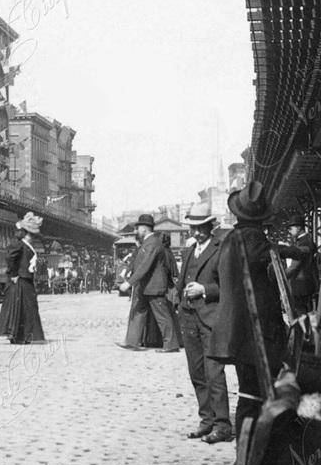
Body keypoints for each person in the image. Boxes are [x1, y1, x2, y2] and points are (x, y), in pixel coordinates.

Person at [207, 182, 286, 437]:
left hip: (239, 332)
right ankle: (252, 459)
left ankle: (246, 454)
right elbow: (270, 255)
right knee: (257, 397)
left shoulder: (229, 238)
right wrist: (302, 251)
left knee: (248, 394)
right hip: (258, 334)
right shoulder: (254, 239)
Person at [176, 203, 231, 443]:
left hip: (210, 319)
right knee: (196, 372)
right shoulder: (189, 251)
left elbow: (229, 286)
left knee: (214, 373)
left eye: (201, 227)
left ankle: (223, 426)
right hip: (188, 317)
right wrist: (179, 303)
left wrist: (204, 290)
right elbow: (180, 282)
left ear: (211, 226)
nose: (197, 232)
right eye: (193, 228)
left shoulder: (221, 250)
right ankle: (206, 421)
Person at [118, 214, 179, 352]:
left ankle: (171, 345)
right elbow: (137, 261)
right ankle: (132, 342)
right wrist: (128, 272)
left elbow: (145, 265)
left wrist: (129, 283)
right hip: (145, 286)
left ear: (144, 229)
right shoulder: (148, 243)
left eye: (138, 228)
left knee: (162, 315)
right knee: (137, 312)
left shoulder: (153, 243)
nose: (136, 231)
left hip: (154, 286)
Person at [0, 212, 46, 344]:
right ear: (26, 233)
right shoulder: (19, 244)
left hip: (25, 279)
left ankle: (21, 335)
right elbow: (10, 258)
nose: (33, 237)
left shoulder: (25, 245)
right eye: (31, 234)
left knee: (25, 308)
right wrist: (14, 274)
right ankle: (18, 335)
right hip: (19, 280)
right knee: (22, 307)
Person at [275, 214, 319, 316]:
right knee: (306, 314)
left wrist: (280, 277)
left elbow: (294, 266)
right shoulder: (305, 241)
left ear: (299, 227)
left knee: (301, 316)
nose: (289, 231)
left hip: (300, 286)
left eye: (291, 228)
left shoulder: (304, 243)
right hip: (305, 285)